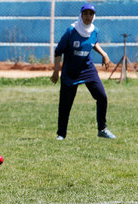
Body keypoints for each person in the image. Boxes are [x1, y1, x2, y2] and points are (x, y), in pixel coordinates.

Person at [50, 3, 116, 140]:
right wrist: (56, 71)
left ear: (94, 16)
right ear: (81, 15)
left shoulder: (94, 30)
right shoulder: (71, 30)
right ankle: (61, 134)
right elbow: (58, 51)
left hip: (87, 69)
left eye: (91, 14)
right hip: (71, 71)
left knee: (102, 97)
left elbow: (93, 42)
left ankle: (102, 129)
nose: (88, 16)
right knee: (65, 104)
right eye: (85, 14)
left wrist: (104, 54)